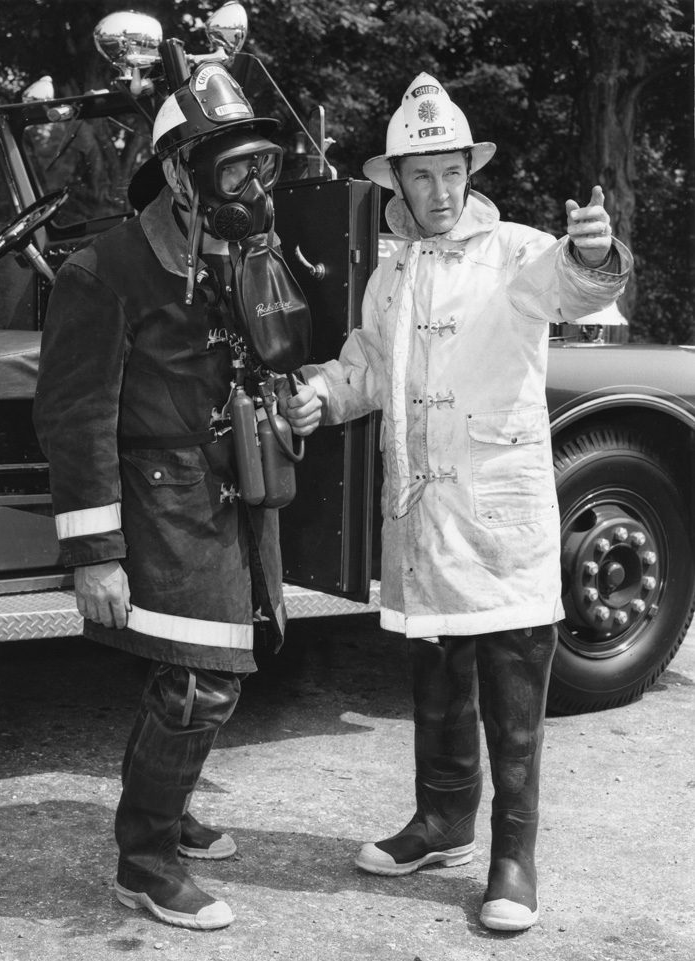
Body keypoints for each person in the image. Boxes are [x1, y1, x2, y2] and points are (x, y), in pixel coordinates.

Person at [279, 72, 633, 932]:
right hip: (423, 520)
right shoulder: (390, 272)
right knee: (434, 669)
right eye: (420, 174)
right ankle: (442, 822)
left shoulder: (517, 251)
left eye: (451, 172)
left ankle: (514, 854)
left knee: (513, 682)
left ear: (469, 173)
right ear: (396, 180)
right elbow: (366, 363)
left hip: (499, 520)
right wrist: (321, 394)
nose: (438, 192)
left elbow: (581, 289)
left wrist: (591, 249)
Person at [34, 64, 311, 931]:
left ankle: (172, 804)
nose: (254, 186)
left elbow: (262, 356)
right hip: (159, 496)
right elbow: (75, 418)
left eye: (261, 166)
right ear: (183, 171)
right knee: (201, 682)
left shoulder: (240, 252)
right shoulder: (104, 269)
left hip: (232, 486)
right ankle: (144, 861)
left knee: (215, 661)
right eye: (235, 169)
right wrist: (95, 554)